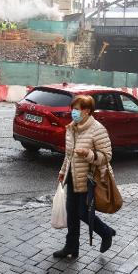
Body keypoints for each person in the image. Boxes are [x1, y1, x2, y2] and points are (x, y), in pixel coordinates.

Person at [53, 95, 116, 259]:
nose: (73, 112)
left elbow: (107, 155)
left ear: (87, 111)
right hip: (72, 177)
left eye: (76, 109)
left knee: (82, 212)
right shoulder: (72, 128)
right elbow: (69, 155)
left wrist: (89, 154)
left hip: (88, 180)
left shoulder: (97, 129)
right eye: (72, 109)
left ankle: (106, 232)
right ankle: (71, 247)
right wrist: (62, 172)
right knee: (71, 213)